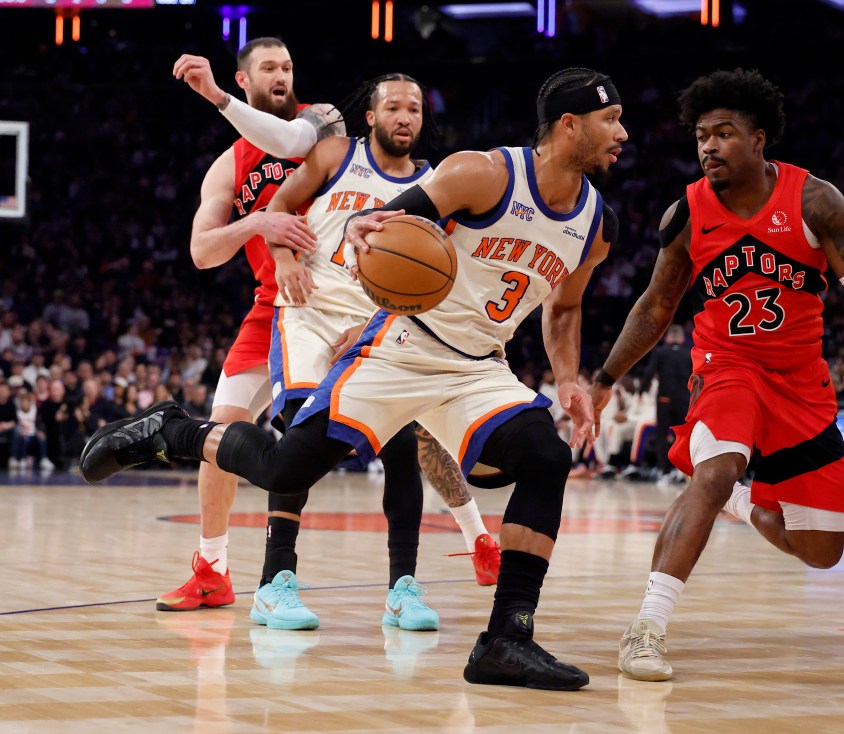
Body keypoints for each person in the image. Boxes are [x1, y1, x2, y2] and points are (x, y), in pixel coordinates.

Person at [82, 66, 626, 691]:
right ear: (568, 124)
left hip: (477, 368)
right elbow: (381, 225)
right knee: (287, 468)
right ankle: (171, 431)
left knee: (544, 456)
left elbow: (564, 306)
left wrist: (568, 381)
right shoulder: (484, 173)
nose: (623, 133)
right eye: (610, 120)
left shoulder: (597, 224)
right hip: (399, 346)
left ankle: (506, 640)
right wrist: (367, 241)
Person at [587, 69, 844, 681]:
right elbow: (655, 306)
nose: (708, 147)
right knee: (717, 467)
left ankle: (744, 500)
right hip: (726, 367)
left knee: (822, 552)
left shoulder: (814, 200)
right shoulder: (688, 212)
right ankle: (647, 626)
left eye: (723, 133)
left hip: (801, 382)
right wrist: (605, 377)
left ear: (759, 139)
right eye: (701, 136)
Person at [170, 57, 500, 624]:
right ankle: (267, 579)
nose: (404, 115)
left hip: (377, 327)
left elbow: (445, 274)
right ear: (370, 114)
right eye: (393, 106)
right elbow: (271, 212)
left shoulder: (426, 176)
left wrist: (387, 320)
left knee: (401, 444)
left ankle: (405, 588)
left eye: (414, 108)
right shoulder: (327, 151)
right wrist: (282, 259)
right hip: (305, 312)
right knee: (291, 441)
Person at [157, 38, 336, 615]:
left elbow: (289, 141)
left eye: (288, 65)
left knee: (416, 426)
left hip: (343, 302)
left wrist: (210, 97)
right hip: (272, 309)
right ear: (245, 80)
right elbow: (202, 252)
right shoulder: (229, 165)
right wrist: (256, 221)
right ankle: (212, 569)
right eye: (269, 68)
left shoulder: (321, 125)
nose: (282, 75)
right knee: (221, 435)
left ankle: (474, 535)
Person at [638, 323, 692, 484]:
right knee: (682, 436)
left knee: (662, 434)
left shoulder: (660, 352)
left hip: (664, 399)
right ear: (682, 338)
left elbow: (649, 372)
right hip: (684, 399)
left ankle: (664, 470)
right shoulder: (688, 353)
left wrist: (641, 391)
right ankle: (682, 470)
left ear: (667, 337)